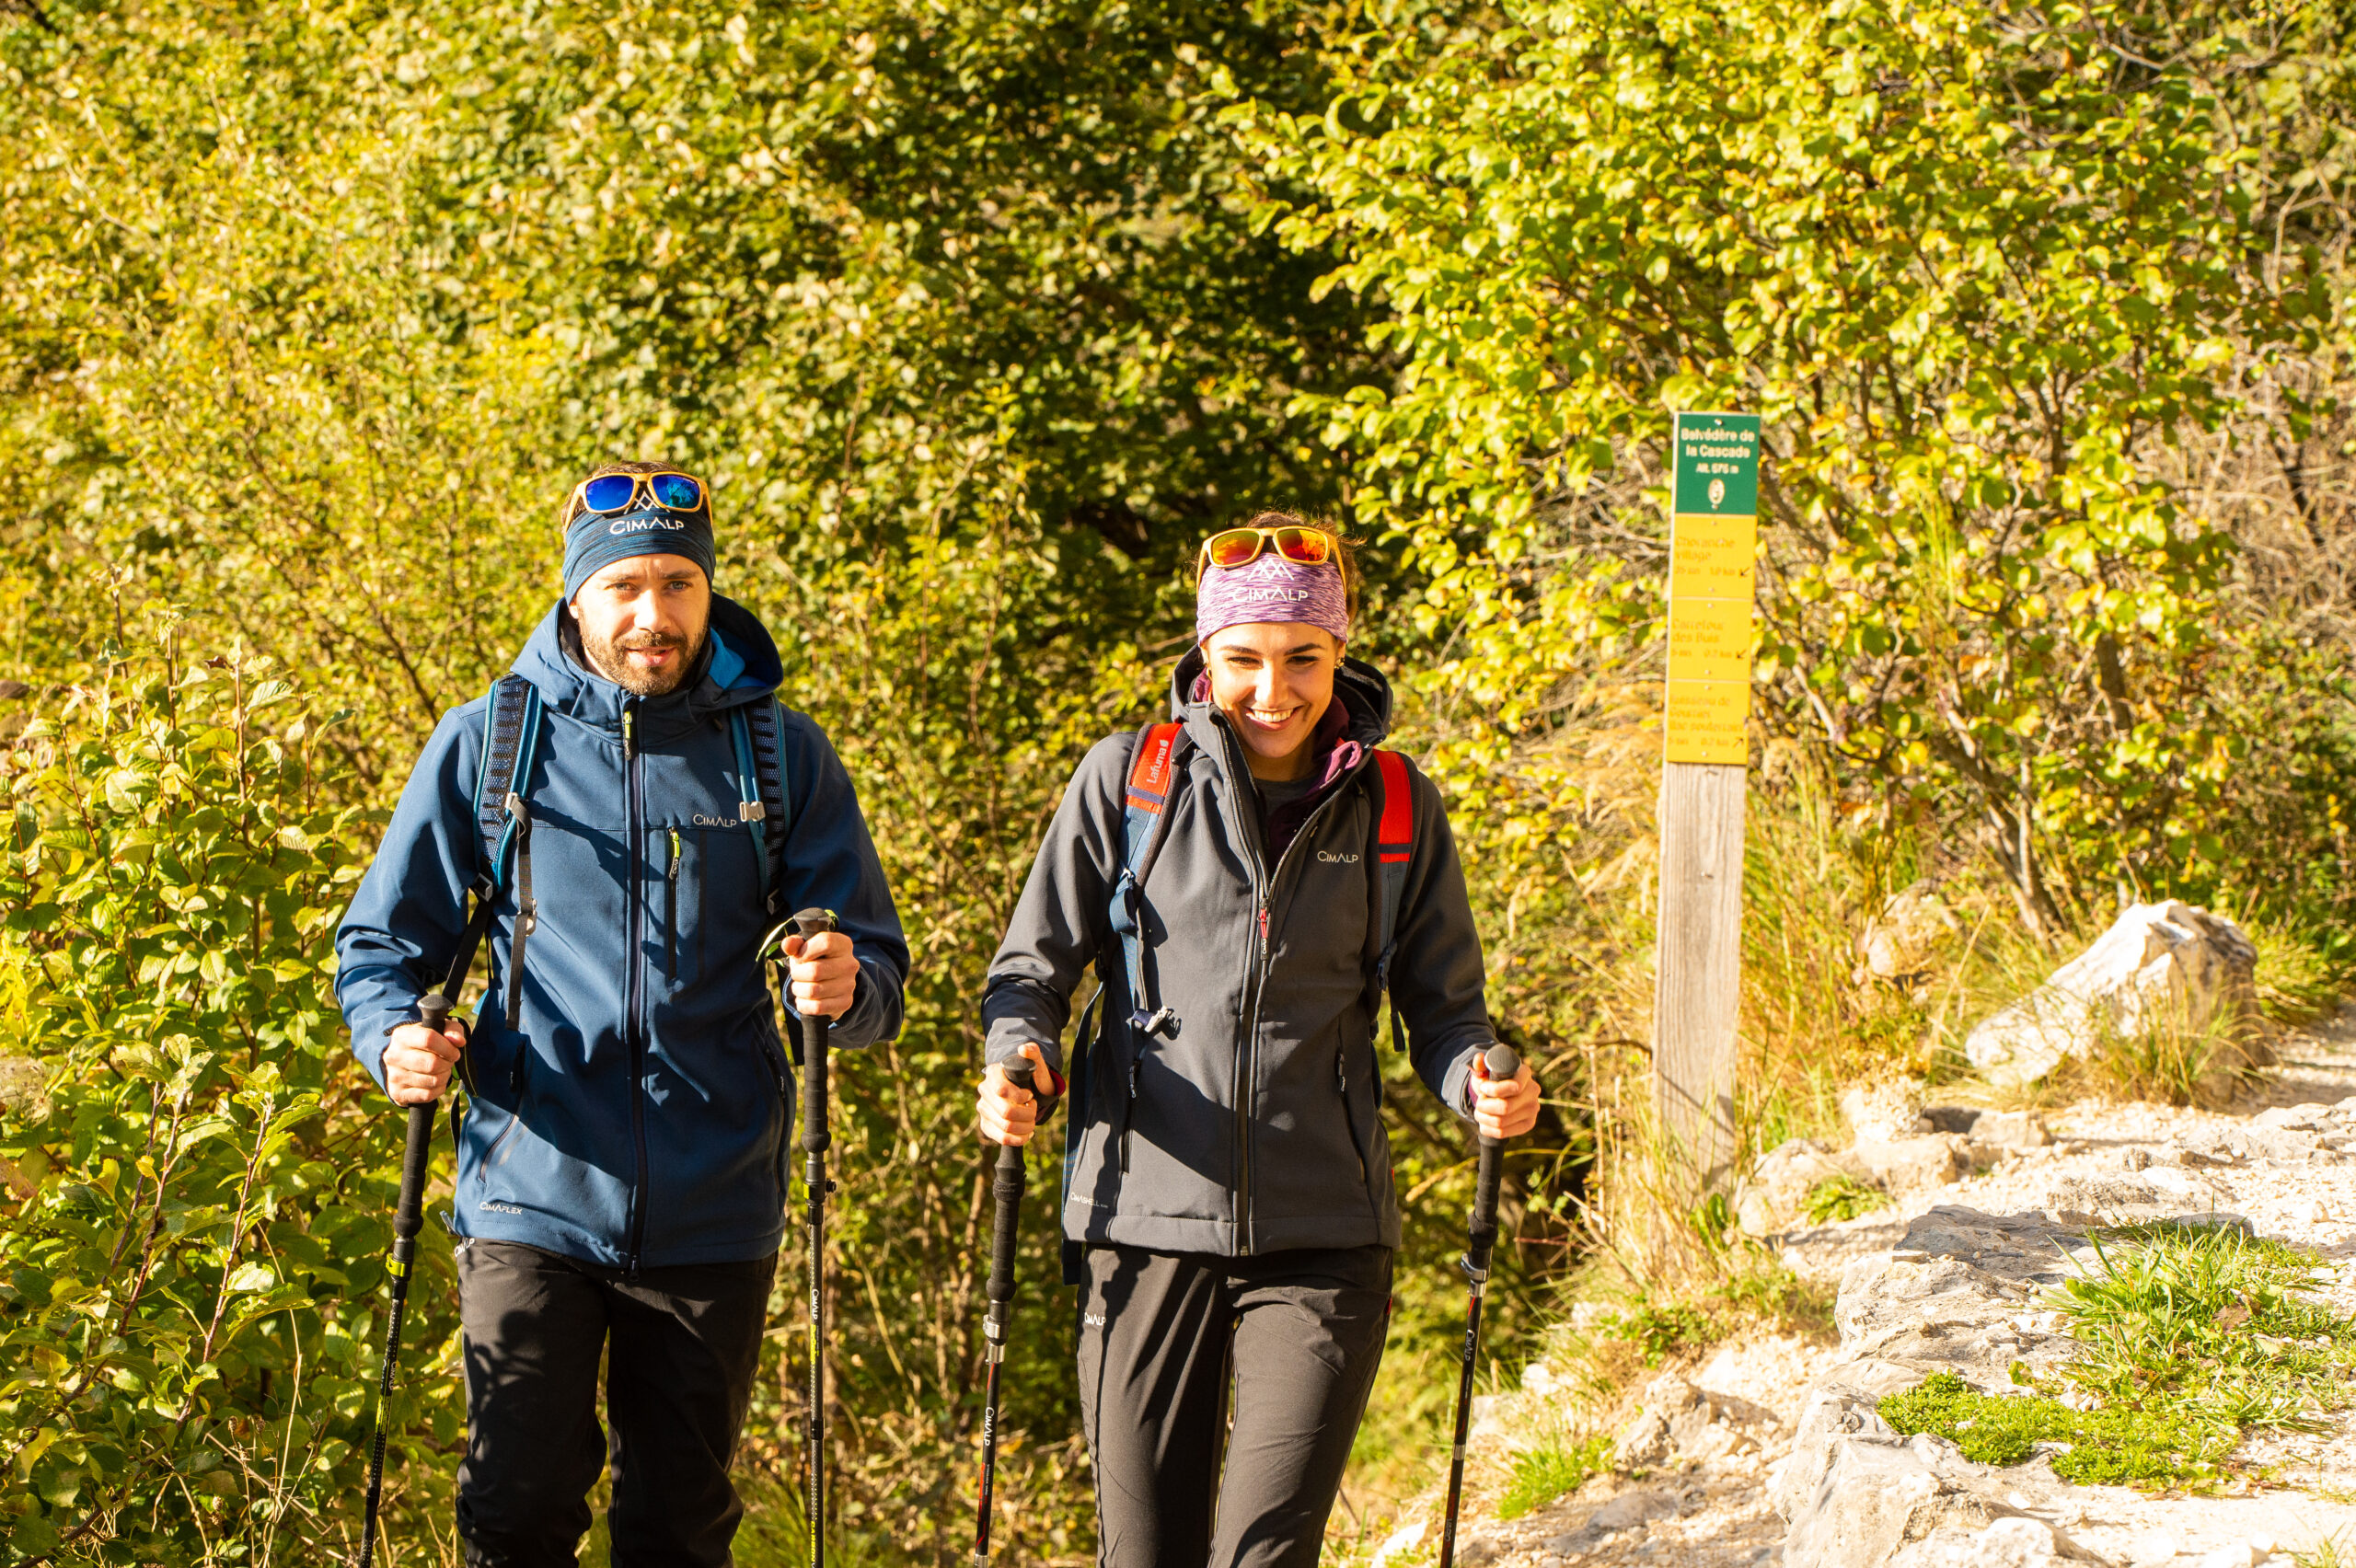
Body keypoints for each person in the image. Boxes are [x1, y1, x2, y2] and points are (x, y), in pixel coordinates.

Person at [336, 460, 908, 1567]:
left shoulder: (778, 754)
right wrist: (394, 1035)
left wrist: (845, 991)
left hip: (715, 1199)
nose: (657, 615)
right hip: (529, 1187)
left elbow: (872, 967)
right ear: (577, 596)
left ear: (709, 590)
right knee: (514, 1509)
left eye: (680, 587)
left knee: (679, 1527)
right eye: (628, 588)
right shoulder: (492, 740)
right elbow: (381, 945)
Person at [975, 513, 1541, 1567]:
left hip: (1325, 1232)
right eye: (1243, 659)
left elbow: (1446, 1013)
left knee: (1264, 1555)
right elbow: (1029, 973)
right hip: (1139, 1224)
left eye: (1302, 659)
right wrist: (1021, 1059)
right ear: (1204, 656)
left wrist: (1477, 1082)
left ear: (1340, 653)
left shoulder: (1397, 804)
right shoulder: (1127, 782)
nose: (1272, 691)